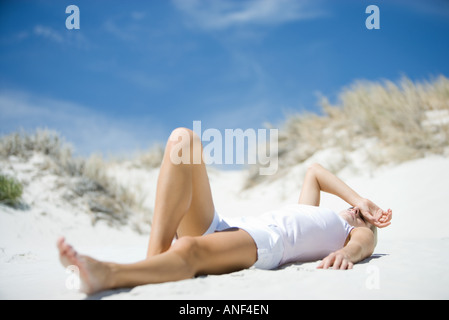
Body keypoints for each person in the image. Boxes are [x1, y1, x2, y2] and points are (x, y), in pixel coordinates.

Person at [57, 128, 392, 295]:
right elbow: (315, 171)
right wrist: (360, 198)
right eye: (354, 207)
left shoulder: (350, 231)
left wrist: (350, 250)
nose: (353, 209)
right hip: (228, 226)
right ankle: (153, 261)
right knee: (182, 142)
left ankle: (109, 275)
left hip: (266, 242)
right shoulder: (313, 213)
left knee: (188, 249)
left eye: (360, 211)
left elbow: (362, 245)